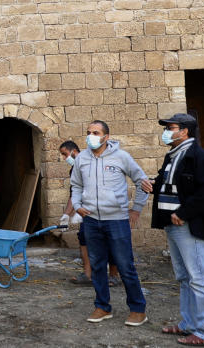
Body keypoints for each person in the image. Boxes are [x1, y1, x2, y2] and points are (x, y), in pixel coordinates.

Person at [71, 120, 152, 326]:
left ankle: (137, 310)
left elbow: (142, 181)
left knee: (125, 266)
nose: (91, 136)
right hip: (91, 220)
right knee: (97, 265)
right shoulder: (82, 158)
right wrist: (78, 204)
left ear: (106, 137)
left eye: (96, 132)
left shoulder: (121, 157)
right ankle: (102, 307)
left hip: (116, 220)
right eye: (88, 132)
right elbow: (76, 185)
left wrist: (136, 209)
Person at [153, 113, 204, 346]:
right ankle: (189, 324)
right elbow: (173, 185)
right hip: (173, 226)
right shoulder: (173, 156)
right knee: (184, 278)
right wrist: (153, 185)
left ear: (185, 131)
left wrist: (183, 213)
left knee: (200, 279)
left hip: (189, 226)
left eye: (171, 128)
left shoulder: (199, 157)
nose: (166, 132)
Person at [59, 140, 120, 286]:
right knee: (84, 239)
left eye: (64, 154)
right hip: (86, 212)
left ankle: (113, 276)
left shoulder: (91, 163)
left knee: (110, 241)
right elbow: (75, 193)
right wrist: (67, 214)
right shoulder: (74, 169)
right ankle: (88, 274)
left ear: (74, 151)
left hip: (106, 209)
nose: (63, 158)